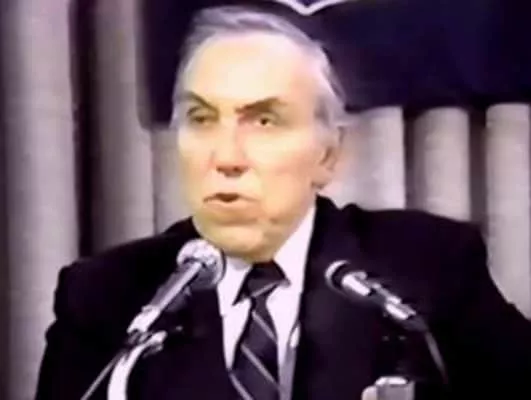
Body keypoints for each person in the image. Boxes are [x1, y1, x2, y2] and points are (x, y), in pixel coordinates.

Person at [35, 5, 531, 400]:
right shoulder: (106, 297)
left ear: (327, 155)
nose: (226, 157)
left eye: (264, 121)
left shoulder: (425, 268)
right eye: (201, 119)